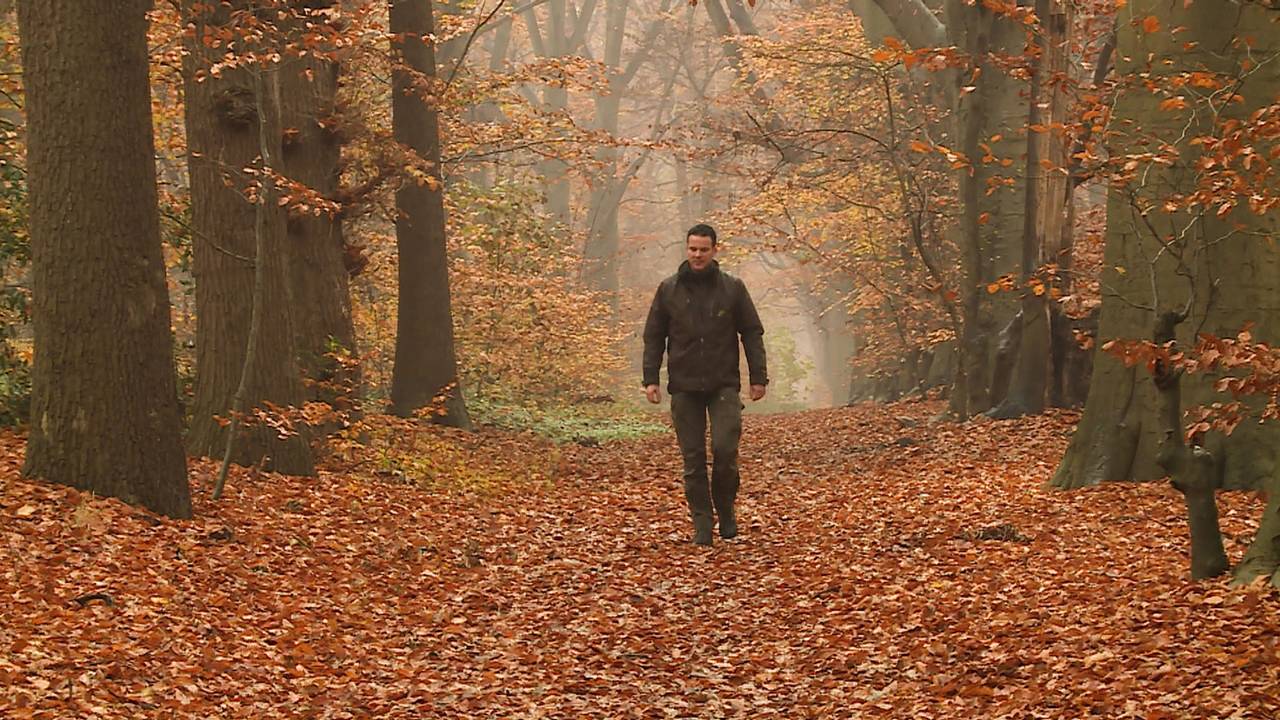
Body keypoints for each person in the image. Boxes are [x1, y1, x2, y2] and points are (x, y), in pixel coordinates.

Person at [642, 223, 768, 546]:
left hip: (723, 382)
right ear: (686, 249)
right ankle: (702, 522)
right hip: (683, 386)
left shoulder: (733, 288)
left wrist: (758, 377)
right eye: (692, 249)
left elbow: (751, 332)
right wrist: (650, 379)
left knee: (725, 450)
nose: (697, 255)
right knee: (693, 458)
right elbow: (654, 336)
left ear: (715, 251)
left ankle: (725, 508)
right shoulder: (668, 289)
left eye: (703, 249)